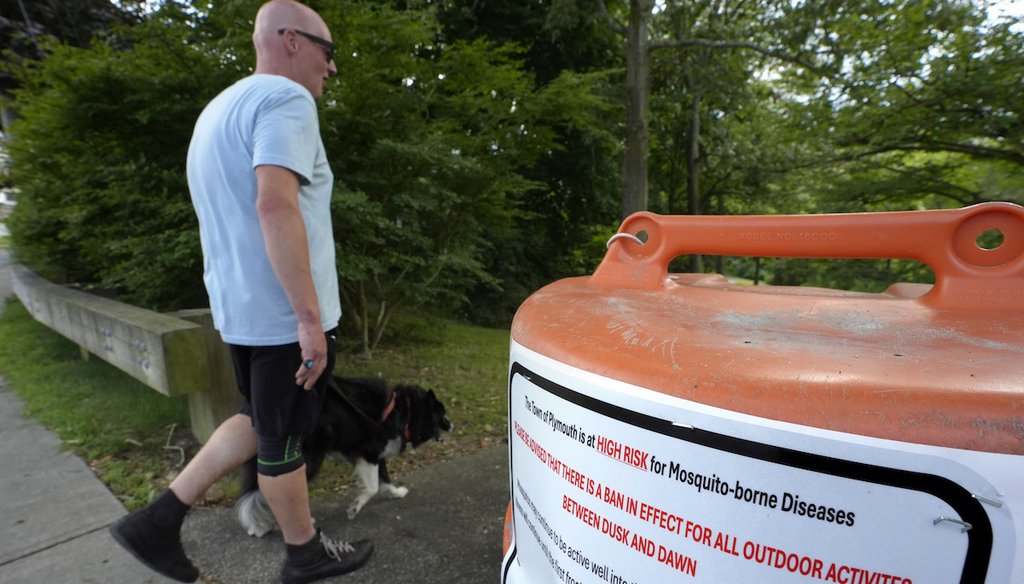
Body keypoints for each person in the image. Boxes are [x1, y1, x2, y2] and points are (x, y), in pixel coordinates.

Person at [109, 2, 373, 583]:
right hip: (283, 317)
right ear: (291, 41)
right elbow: (273, 202)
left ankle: (158, 519)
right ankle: (302, 552)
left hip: (241, 311)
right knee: (282, 437)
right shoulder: (286, 100)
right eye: (328, 53)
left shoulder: (218, 109)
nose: (331, 69)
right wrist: (308, 319)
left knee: (259, 418)